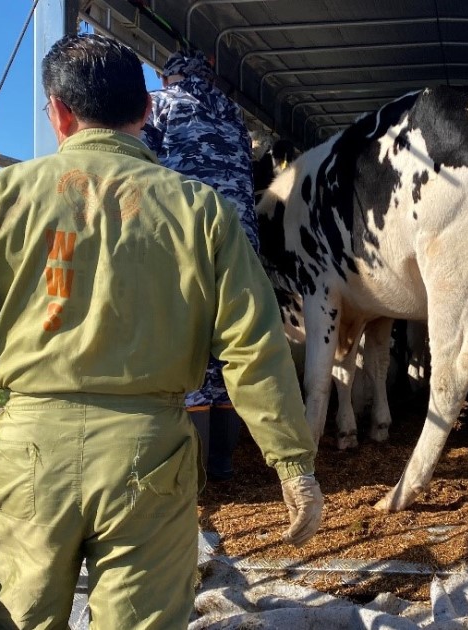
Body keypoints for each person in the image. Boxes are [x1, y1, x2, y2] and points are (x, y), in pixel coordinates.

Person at [0, 34, 322, 629]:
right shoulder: (201, 211)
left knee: (23, 618)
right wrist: (292, 462)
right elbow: (254, 345)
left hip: (34, 452)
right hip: (151, 452)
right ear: (146, 111)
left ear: (59, 112)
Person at [141, 49, 258, 483]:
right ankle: (225, 465)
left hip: (187, 243)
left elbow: (141, 160)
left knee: (189, 353)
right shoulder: (232, 113)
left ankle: (197, 475)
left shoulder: (162, 105)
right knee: (227, 351)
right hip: (240, 245)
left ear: (169, 77)